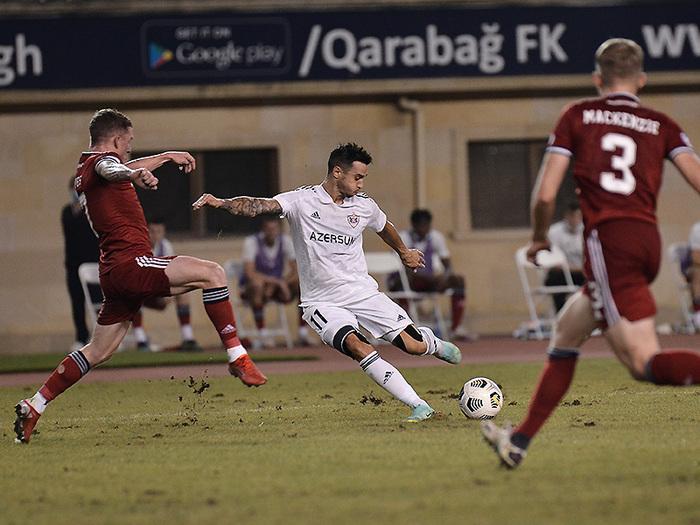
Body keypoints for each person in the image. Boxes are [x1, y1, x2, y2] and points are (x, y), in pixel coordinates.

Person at [481, 38, 700, 468]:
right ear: (641, 80)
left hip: (609, 242)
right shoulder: (662, 123)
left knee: (642, 362)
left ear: (597, 78)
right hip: (645, 239)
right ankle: (518, 442)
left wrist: (539, 238)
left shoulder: (578, 115)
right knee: (566, 333)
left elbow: (546, 194)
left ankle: (519, 441)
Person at [14, 108, 266, 444]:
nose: (130, 147)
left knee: (98, 351)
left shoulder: (87, 166)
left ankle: (35, 404)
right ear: (117, 139)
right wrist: (133, 174)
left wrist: (165, 157)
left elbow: (119, 167)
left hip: (114, 271)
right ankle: (237, 357)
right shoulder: (101, 164)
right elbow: (113, 168)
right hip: (131, 264)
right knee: (212, 273)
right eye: (129, 141)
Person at [193, 142, 462, 422]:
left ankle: (432, 344)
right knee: (358, 347)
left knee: (413, 346)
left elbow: (384, 227)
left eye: (363, 178)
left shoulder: (364, 206)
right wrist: (221, 203)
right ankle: (419, 405)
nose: (361, 184)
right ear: (337, 172)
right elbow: (258, 205)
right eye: (357, 177)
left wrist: (404, 252)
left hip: (362, 293)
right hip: (321, 303)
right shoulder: (301, 201)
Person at [394, 208, 470, 339]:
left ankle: (456, 328)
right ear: (414, 225)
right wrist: (431, 278)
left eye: (426, 225)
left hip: (431, 282)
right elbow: (403, 269)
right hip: (409, 281)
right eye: (420, 225)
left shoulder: (436, 237)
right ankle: (405, 328)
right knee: (406, 279)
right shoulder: (404, 238)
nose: (423, 229)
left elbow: (447, 263)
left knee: (458, 280)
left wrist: (446, 277)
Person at [131, 218, 202, 352]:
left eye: (159, 231)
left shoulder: (166, 246)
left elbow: (171, 271)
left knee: (183, 295)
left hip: (157, 290)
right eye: (152, 231)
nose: (155, 235)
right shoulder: (138, 246)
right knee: (132, 295)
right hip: (141, 290)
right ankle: (140, 340)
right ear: (146, 231)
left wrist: (167, 289)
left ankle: (188, 338)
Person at [240, 215, 311, 348]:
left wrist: (282, 283)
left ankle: (303, 332)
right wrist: (276, 282)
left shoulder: (285, 241)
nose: (272, 233)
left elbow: (297, 270)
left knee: (302, 283)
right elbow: (250, 273)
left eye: (274, 229)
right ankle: (262, 334)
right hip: (255, 289)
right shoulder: (252, 242)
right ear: (263, 229)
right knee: (257, 284)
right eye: (269, 229)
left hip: (276, 288)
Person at [61, 176, 101, 351]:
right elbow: (69, 228)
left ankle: (101, 337)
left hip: (93, 263)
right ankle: (81, 337)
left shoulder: (93, 209)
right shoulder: (67, 212)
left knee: (98, 302)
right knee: (77, 303)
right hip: (73, 265)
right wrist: (77, 209)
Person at [544, 201, 586, 312]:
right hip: (561, 273)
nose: (575, 219)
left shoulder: (586, 230)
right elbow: (551, 261)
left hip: (582, 273)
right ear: (566, 215)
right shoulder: (554, 232)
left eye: (578, 216)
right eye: (572, 216)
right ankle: (560, 313)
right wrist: (574, 268)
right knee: (555, 279)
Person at [684, 222, 700, 329]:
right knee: (698, 271)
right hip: (693, 266)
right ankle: (698, 310)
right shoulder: (698, 229)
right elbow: (696, 258)